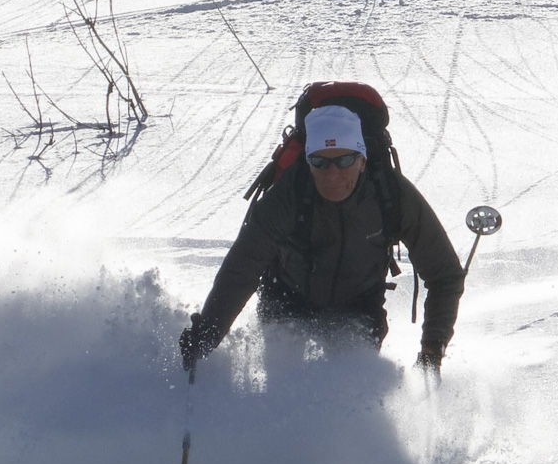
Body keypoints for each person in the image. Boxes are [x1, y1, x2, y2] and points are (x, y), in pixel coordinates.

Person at [179, 102, 465, 373]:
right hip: (287, 296)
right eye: (320, 162)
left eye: (344, 160)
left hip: (358, 304)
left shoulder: (391, 195)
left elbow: (445, 275)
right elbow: (243, 268)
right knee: (284, 381)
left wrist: (432, 350)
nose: (332, 173)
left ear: (362, 161)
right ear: (308, 162)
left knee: (354, 385)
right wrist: (206, 335)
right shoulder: (289, 194)